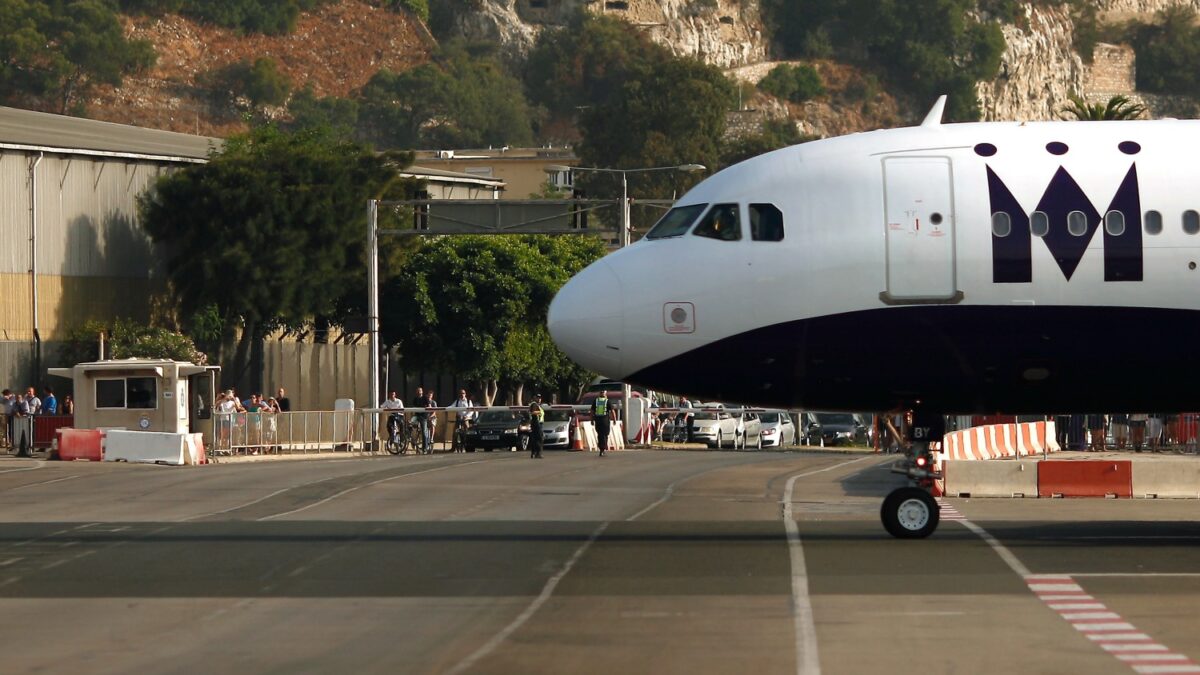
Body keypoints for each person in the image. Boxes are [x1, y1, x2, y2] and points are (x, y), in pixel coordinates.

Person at [591, 390, 616, 457]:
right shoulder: (607, 401)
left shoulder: (595, 401)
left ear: (599, 395)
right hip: (605, 420)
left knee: (600, 434)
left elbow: (592, 411)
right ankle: (603, 448)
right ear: (605, 395)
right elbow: (613, 411)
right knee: (605, 434)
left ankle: (601, 448)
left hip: (598, 420)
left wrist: (592, 420)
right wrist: (614, 420)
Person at [529, 394, 545, 459]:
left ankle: (533, 453)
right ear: (534, 398)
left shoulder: (537, 405)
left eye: (540, 398)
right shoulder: (534, 404)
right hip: (537, 423)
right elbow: (533, 413)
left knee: (535, 439)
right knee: (539, 438)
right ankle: (538, 453)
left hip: (535, 423)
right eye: (537, 398)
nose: (539, 399)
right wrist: (539, 413)